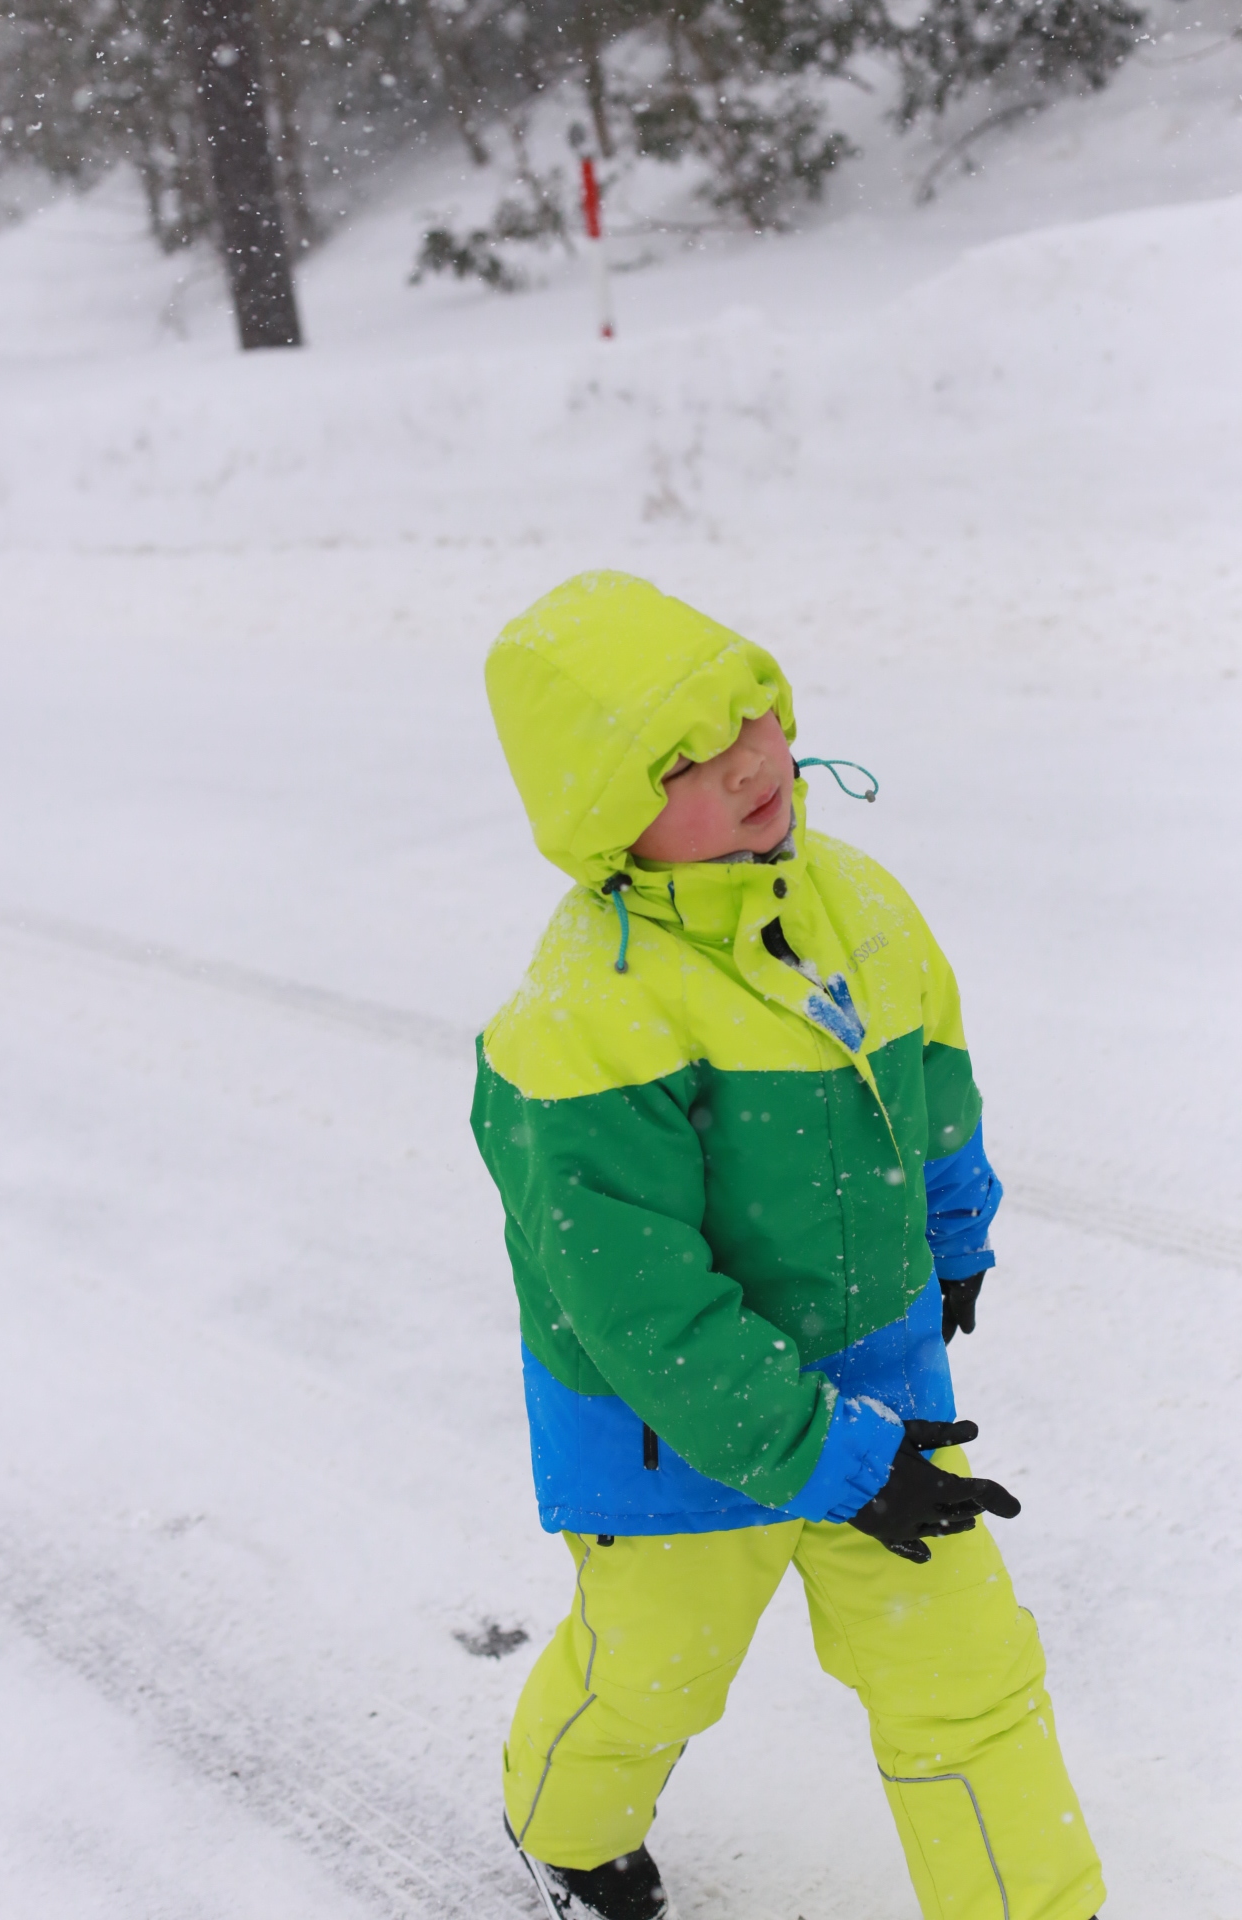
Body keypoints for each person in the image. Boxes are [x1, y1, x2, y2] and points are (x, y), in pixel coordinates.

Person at [471, 572, 1103, 1920]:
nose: (748, 758)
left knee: (967, 1675)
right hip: (678, 1431)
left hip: (877, 1381)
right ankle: (566, 1824)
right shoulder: (585, 1020)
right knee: (656, 1673)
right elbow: (641, 1308)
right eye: (680, 759)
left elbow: (929, 1067)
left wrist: (955, 1224)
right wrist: (827, 1459)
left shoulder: (851, 898)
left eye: (744, 708)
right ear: (602, 814)